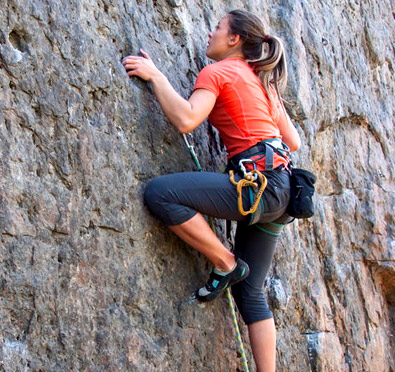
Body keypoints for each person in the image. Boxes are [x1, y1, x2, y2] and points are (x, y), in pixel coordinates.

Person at [122, 10, 301, 372]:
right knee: (250, 293)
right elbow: (293, 141)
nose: (210, 32)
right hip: (282, 191)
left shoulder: (218, 71)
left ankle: (226, 262)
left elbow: (188, 118)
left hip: (257, 187)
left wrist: (156, 76)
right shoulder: (262, 80)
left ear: (234, 40)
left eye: (217, 28)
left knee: (161, 193)